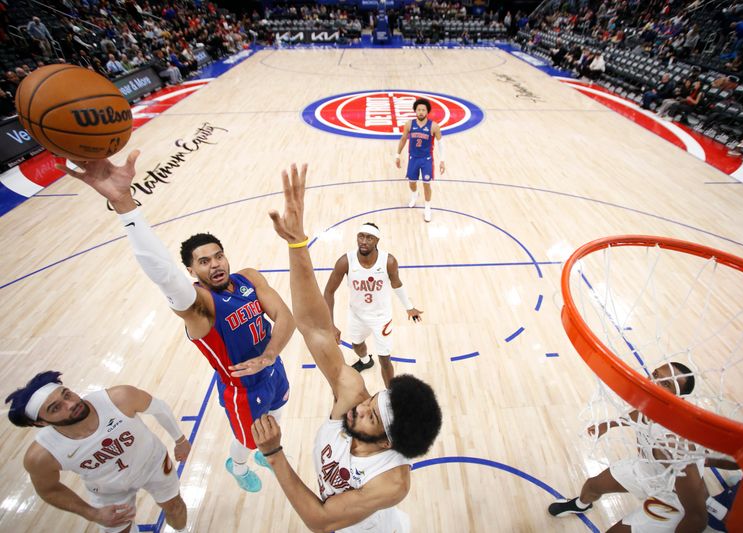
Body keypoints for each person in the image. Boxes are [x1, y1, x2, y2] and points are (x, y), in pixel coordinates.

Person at [57, 151, 296, 494]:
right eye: (203, 262)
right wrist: (126, 206)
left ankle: (263, 453)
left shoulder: (250, 278)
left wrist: (271, 354)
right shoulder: (199, 306)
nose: (214, 265)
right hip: (243, 388)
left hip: (273, 366)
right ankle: (239, 464)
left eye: (218, 256)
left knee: (279, 416)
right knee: (250, 441)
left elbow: (285, 315)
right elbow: (163, 274)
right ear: (191, 271)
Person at [251, 164, 443, 533]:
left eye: (369, 415)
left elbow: (321, 521)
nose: (359, 408)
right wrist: (296, 245)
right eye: (371, 402)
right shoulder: (355, 398)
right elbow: (315, 329)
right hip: (359, 314)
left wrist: (274, 454)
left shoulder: (391, 482)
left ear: (388, 443)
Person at [547, 362, 736, 532]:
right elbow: (638, 416)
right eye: (655, 374)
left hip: (671, 499)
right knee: (592, 486)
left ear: (679, 399)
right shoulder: (651, 405)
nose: (653, 382)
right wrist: (609, 424)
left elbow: (697, 517)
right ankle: (582, 505)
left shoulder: (672, 445)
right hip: (646, 469)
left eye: (666, 384)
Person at [5, 371, 190, 533]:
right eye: (56, 408)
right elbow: (49, 489)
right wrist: (92, 513)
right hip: (108, 491)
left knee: (175, 507)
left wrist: (180, 440)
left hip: (153, 464)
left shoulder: (119, 398)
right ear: (41, 423)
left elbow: (159, 408)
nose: (70, 404)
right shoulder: (41, 456)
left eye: (67, 394)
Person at [323, 222, 423, 387]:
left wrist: (409, 306)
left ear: (377, 240)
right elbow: (328, 292)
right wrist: (330, 325)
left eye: (369, 238)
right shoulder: (346, 261)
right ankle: (365, 361)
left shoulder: (388, 261)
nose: (364, 241)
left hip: (381, 317)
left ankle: (391, 395)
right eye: (361, 236)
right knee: (357, 345)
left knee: (384, 359)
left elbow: (397, 284)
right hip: (357, 315)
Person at [395, 98, 445, 223]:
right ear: (415, 111)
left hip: (426, 159)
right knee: (412, 182)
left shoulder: (434, 126)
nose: (421, 112)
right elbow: (403, 139)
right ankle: (415, 194)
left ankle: (427, 207)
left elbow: (440, 144)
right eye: (419, 110)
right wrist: (397, 155)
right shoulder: (409, 124)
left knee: (426, 184)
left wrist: (442, 160)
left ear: (427, 111)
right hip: (413, 158)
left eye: (423, 110)